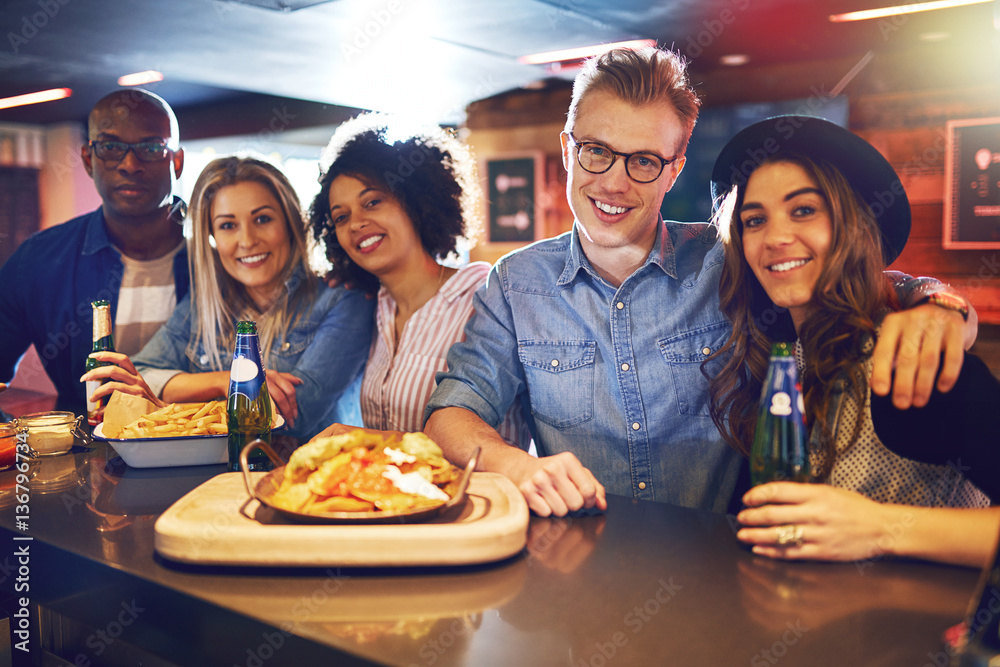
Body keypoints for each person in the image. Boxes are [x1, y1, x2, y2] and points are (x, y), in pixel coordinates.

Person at [424, 46, 979, 518]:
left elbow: (850, 278)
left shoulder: (731, 257)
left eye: (643, 160)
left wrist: (939, 304)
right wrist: (513, 463)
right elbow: (452, 410)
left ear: (675, 169)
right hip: (577, 577)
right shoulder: (515, 283)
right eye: (596, 151)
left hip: (722, 580)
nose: (614, 182)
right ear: (569, 149)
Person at [708, 115, 998, 568]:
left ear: (854, 225)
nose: (776, 237)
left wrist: (881, 528)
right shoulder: (777, 358)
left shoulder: (910, 359)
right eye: (754, 219)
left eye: (803, 210)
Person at [81, 156, 374, 442]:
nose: (247, 240)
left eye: (262, 219)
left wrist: (172, 400)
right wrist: (223, 381)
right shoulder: (203, 307)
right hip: (209, 481)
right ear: (212, 237)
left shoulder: (344, 302)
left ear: (291, 223)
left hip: (308, 480)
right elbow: (142, 374)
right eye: (227, 225)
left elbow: (291, 416)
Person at [306, 113, 529, 445]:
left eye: (372, 202)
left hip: (482, 494)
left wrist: (363, 439)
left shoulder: (485, 296)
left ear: (416, 201)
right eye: (341, 217)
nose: (356, 224)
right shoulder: (373, 307)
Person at [0, 89, 188, 416]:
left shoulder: (221, 255)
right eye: (112, 147)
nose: (130, 164)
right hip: (86, 455)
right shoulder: (38, 262)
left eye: (151, 148)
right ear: (88, 160)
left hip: (206, 447)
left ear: (177, 161)